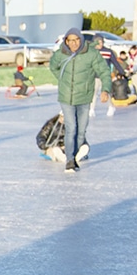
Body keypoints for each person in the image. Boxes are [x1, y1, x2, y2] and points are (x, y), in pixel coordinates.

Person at [49, 27, 111, 173]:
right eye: (71, 40)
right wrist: (62, 79)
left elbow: (104, 71)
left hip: (84, 96)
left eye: (77, 40)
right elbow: (53, 66)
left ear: (81, 40)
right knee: (71, 128)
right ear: (66, 41)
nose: (74, 43)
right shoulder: (61, 53)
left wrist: (105, 89)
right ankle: (70, 160)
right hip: (66, 97)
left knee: (81, 131)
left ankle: (75, 156)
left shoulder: (91, 53)